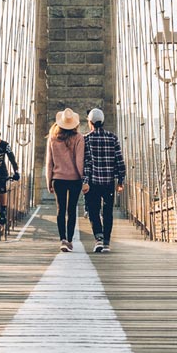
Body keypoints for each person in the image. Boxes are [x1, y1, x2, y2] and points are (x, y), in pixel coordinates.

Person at [81, 107, 126, 252]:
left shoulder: (85, 139)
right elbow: (120, 161)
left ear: (90, 122)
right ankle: (106, 242)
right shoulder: (113, 138)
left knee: (94, 212)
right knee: (108, 212)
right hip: (108, 183)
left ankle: (98, 239)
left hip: (93, 182)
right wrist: (120, 180)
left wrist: (85, 182)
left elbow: (86, 163)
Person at [46, 107, 86, 251]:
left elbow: (49, 162)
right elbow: (80, 161)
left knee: (60, 209)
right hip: (75, 180)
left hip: (58, 179)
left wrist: (49, 181)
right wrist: (84, 180)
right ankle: (69, 241)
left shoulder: (52, 138)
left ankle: (63, 240)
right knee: (72, 210)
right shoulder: (79, 138)